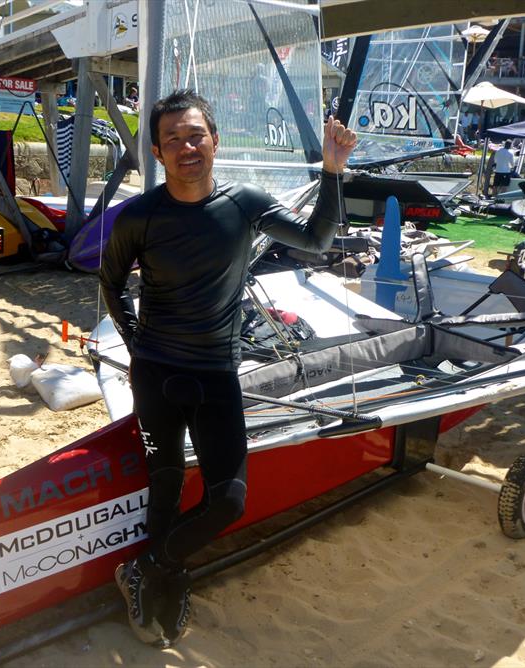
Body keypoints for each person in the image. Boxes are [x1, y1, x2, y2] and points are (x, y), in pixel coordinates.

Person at [99, 89, 356, 647]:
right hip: (156, 376)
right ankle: (165, 580)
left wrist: (333, 172)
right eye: (173, 139)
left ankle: (144, 568)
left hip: (216, 374)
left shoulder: (245, 203)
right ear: (157, 152)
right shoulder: (138, 217)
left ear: (215, 141)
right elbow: (110, 283)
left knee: (229, 500)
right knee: (164, 486)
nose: (186, 146)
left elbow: (316, 240)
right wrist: (136, 343)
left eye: (196, 135)